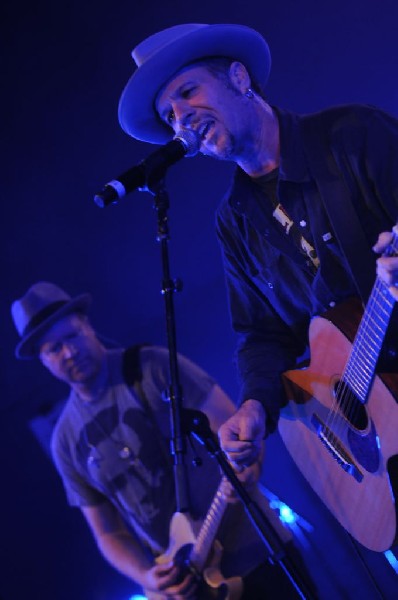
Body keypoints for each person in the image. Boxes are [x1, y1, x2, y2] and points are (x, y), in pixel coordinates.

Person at [114, 22, 398, 596]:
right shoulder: (234, 221)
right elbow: (261, 335)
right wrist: (252, 406)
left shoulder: (352, 135)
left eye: (188, 93)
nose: (181, 119)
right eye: (169, 115)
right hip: (373, 442)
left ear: (240, 79)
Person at [11, 280, 301, 599]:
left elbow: (232, 424)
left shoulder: (154, 366)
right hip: (192, 588)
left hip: (259, 553)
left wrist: (247, 468)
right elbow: (107, 532)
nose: (69, 351)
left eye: (72, 335)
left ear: (88, 326)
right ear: (43, 361)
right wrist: (147, 577)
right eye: (54, 348)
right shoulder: (64, 443)